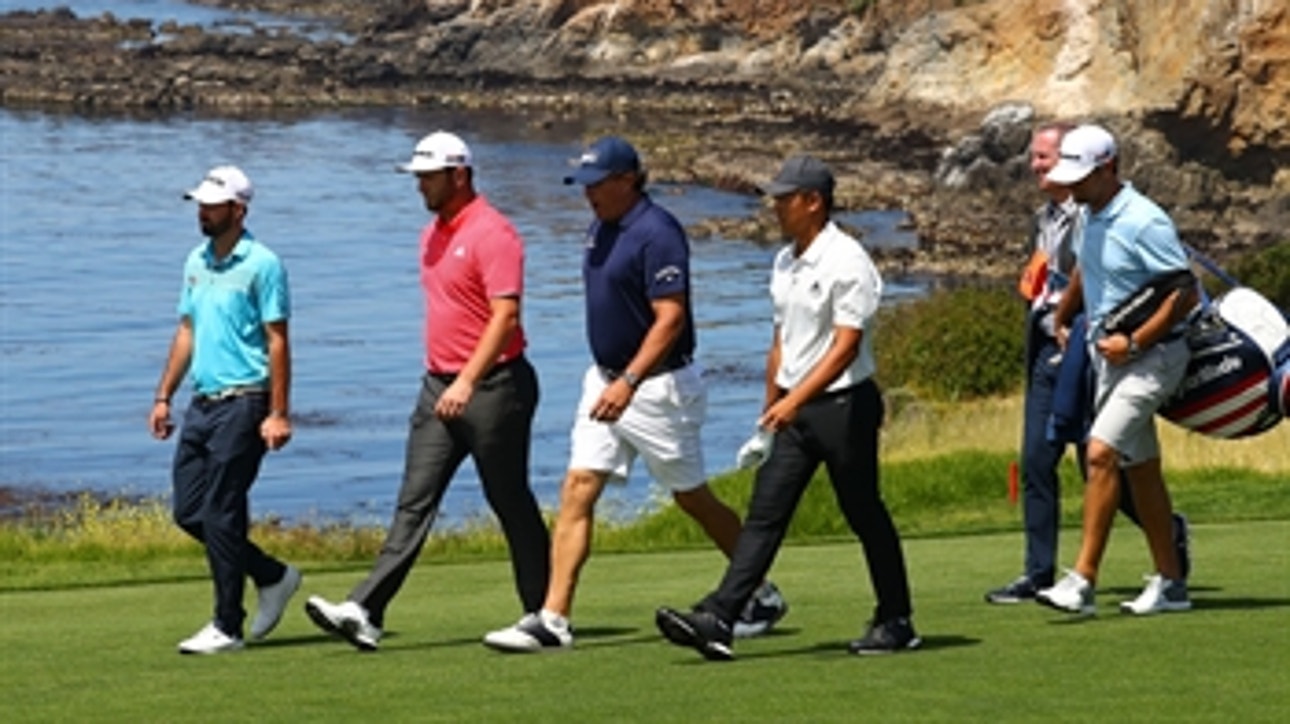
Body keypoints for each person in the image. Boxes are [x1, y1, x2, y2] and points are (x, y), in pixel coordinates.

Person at [482, 135, 787, 652]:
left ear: (627, 180)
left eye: (596, 184)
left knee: (691, 497)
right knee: (578, 487)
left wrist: (629, 382)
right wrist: (613, 381)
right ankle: (552, 619)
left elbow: (670, 320)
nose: (588, 195)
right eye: (584, 185)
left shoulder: (658, 232)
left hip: (658, 386)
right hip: (603, 380)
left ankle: (761, 591)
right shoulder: (599, 227)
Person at [655, 154, 919, 661]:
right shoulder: (785, 260)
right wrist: (769, 409)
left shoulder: (847, 260)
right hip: (797, 412)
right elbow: (781, 341)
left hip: (844, 406)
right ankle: (721, 618)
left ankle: (896, 618)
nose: (774, 206)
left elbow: (845, 345)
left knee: (863, 512)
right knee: (764, 514)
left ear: (813, 202)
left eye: (784, 198)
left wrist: (793, 400)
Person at [304, 131, 550, 650]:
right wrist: (446, 379)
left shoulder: (494, 233)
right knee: (414, 502)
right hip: (438, 386)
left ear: (459, 175)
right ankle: (366, 608)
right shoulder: (430, 234)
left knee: (508, 500)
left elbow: (506, 317)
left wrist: (467, 380)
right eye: (417, 177)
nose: (420, 186)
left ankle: (542, 612)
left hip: (495, 387)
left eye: (428, 177)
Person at [984, 123, 1191, 604]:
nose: (1071, 185)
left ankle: (1082, 580)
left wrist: (1135, 342)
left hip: (1154, 357)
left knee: (1099, 453)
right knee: (1142, 470)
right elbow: (1084, 267)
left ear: (1108, 168)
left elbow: (1183, 291)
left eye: (1080, 176)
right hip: (1110, 359)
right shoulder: (1086, 213)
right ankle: (1172, 582)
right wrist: (1062, 312)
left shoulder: (1144, 220)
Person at [148, 165, 302, 654]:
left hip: (246, 401)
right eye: (200, 204)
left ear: (239, 210)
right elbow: (187, 331)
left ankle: (227, 625)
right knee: (189, 511)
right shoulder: (195, 261)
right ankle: (272, 575)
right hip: (202, 402)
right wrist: (163, 396)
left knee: (221, 512)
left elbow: (278, 341)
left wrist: (278, 412)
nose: (203, 212)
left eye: (213, 205)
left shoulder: (263, 264)